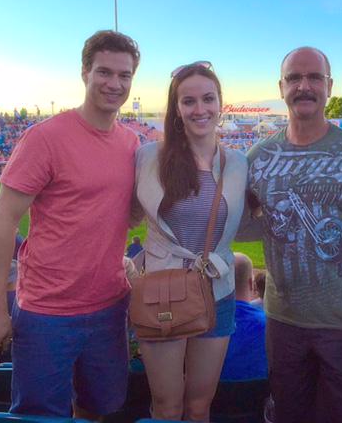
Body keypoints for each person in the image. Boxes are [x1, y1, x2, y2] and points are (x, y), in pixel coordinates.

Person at [0, 30, 141, 419]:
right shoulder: (45, 138)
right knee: (40, 415)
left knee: (101, 408)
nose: (114, 84)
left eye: (124, 75)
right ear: (85, 72)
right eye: (104, 72)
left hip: (109, 306)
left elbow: (126, 213)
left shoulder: (132, 143)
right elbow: (2, 222)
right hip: (46, 312)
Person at [243, 47, 342, 423]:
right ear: (281, 87)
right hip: (284, 325)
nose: (304, 86)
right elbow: (238, 220)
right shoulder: (258, 156)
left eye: (314, 78)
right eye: (294, 78)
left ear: (329, 86)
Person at [131, 61, 247, 421]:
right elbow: (125, 214)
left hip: (218, 291)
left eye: (208, 99)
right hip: (163, 290)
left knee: (200, 406)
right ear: (177, 109)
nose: (200, 109)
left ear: (220, 103)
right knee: (167, 405)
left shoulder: (239, 163)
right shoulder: (148, 156)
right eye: (189, 101)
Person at [220, 253, 267, 381]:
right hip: (259, 394)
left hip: (213, 394)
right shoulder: (267, 323)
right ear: (252, 284)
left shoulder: (204, 323)